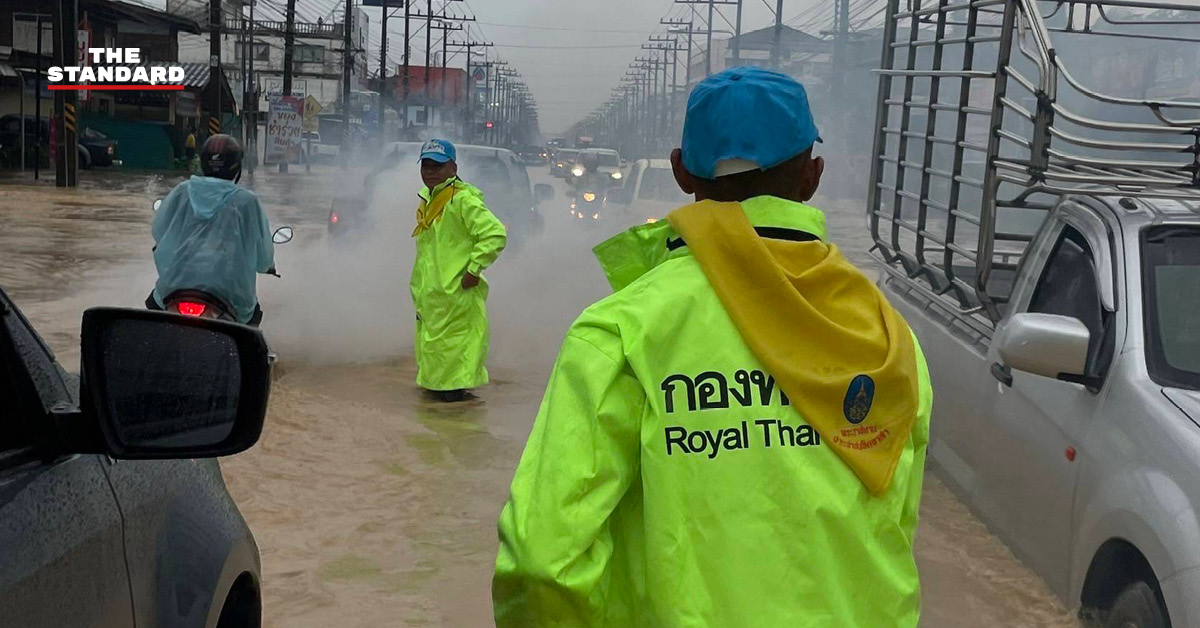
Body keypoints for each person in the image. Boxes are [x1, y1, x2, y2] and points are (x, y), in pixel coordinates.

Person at [493, 67, 933, 627]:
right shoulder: (886, 335)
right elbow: (896, 527)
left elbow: (542, 561)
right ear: (812, 177)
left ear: (681, 172)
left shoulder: (623, 332)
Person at [410, 139, 507, 403]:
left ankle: (452, 401)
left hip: (456, 292)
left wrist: (473, 270)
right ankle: (439, 396)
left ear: (453, 167)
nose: (430, 171)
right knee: (434, 348)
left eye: (437, 166)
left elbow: (494, 234)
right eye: (426, 165)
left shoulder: (462, 199)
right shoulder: (429, 199)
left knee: (454, 353)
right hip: (433, 293)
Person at [149, 134, 275, 326]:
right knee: (251, 324)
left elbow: (159, 231)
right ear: (236, 167)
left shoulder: (182, 191)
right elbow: (263, 256)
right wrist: (267, 266)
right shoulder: (247, 202)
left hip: (173, 289)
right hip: (231, 298)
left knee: (154, 311)